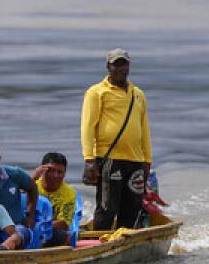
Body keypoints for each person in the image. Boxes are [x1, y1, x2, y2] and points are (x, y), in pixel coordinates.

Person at [81, 48, 153, 230]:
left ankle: (124, 243)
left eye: (124, 64)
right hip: (110, 159)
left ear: (129, 67)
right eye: (116, 64)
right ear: (108, 67)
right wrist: (89, 160)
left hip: (135, 159)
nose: (121, 68)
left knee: (133, 206)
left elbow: (144, 129)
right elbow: (87, 127)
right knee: (107, 207)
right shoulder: (96, 92)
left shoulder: (138, 94)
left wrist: (147, 161)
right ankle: (99, 244)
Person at [33, 151, 77, 247]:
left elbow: (64, 224)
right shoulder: (32, 186)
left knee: (66, 236)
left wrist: (40, 227)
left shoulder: (69, 193)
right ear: (42, 170)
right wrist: (32, 178)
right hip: (29, 230)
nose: (55, 175)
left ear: (64, 173)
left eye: (59, 172)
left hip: (51, 231)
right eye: (51, 170)